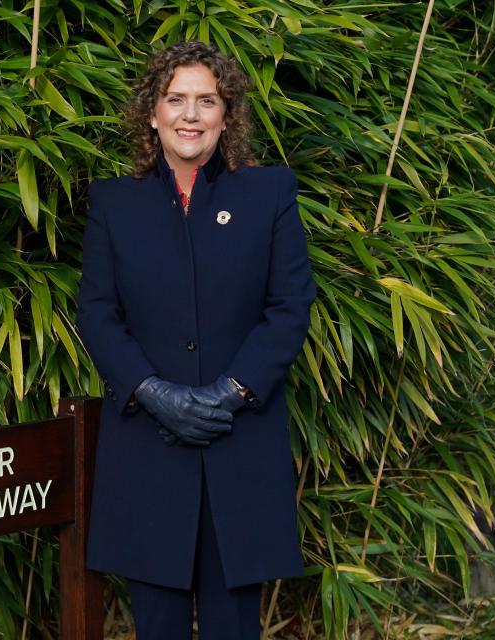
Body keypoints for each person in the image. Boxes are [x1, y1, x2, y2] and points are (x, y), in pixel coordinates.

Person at [76, 40, 316, 640]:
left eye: (206, 100)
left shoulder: (269, 195)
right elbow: (99, 312)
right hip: (147, 449)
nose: (190, 114)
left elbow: (289, 307)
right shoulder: (115, 203)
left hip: (240, 444)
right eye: (174, 98)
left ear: (227, 114)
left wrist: (230, 392)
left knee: (233, 626)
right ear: (150, 113)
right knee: (155, 624)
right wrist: (151, 391)